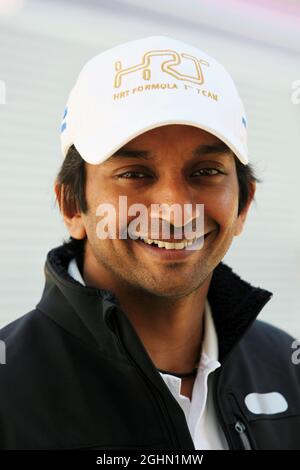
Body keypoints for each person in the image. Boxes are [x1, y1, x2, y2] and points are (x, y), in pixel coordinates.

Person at [0, 35, 299, 450]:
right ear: (73, 206)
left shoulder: (288, 366)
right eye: (135, 174)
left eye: (205, 171)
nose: (175, 209)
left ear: (243, 204)